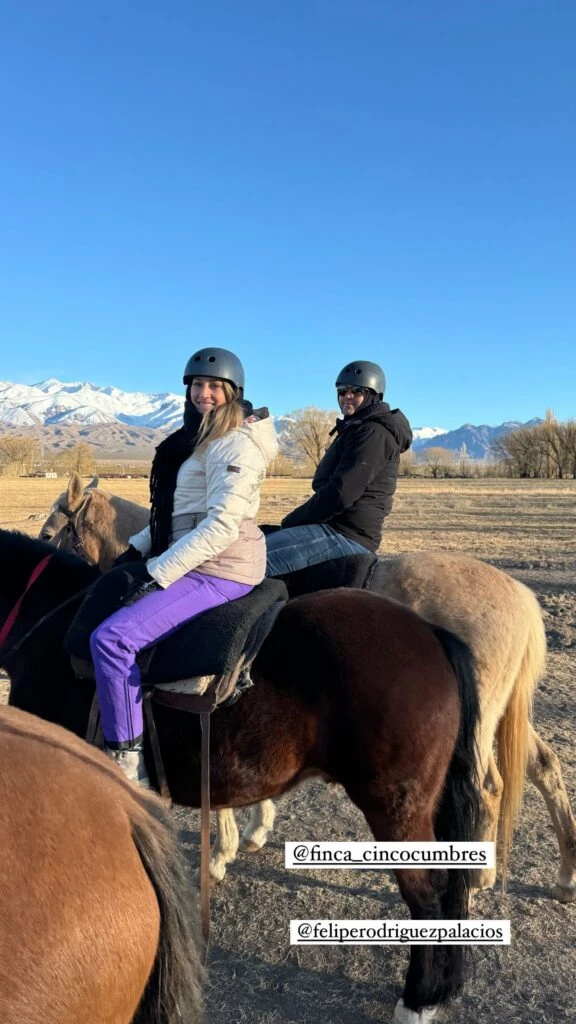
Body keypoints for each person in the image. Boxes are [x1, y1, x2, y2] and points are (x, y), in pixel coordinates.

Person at [90, 348, 278, 785]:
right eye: (197, 385)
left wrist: (159, 572)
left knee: (112, 641)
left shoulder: (236, 444)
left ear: (233, 393)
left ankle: (127, 765)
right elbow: (179, 512)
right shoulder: (205, 438)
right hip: (196, 553)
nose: (203, 394)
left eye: (214, 386)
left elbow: (221, 525)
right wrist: (136, 550)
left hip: (220, 566)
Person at [265, 360, 412, 577]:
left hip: (347, 535)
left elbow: (341, 493)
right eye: (342, 392)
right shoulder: (355, 427)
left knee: (251, 565)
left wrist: (291, 522)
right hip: (333, 527)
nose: (347, 396)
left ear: (373, 395)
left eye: (356, 391)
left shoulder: (373, 433)